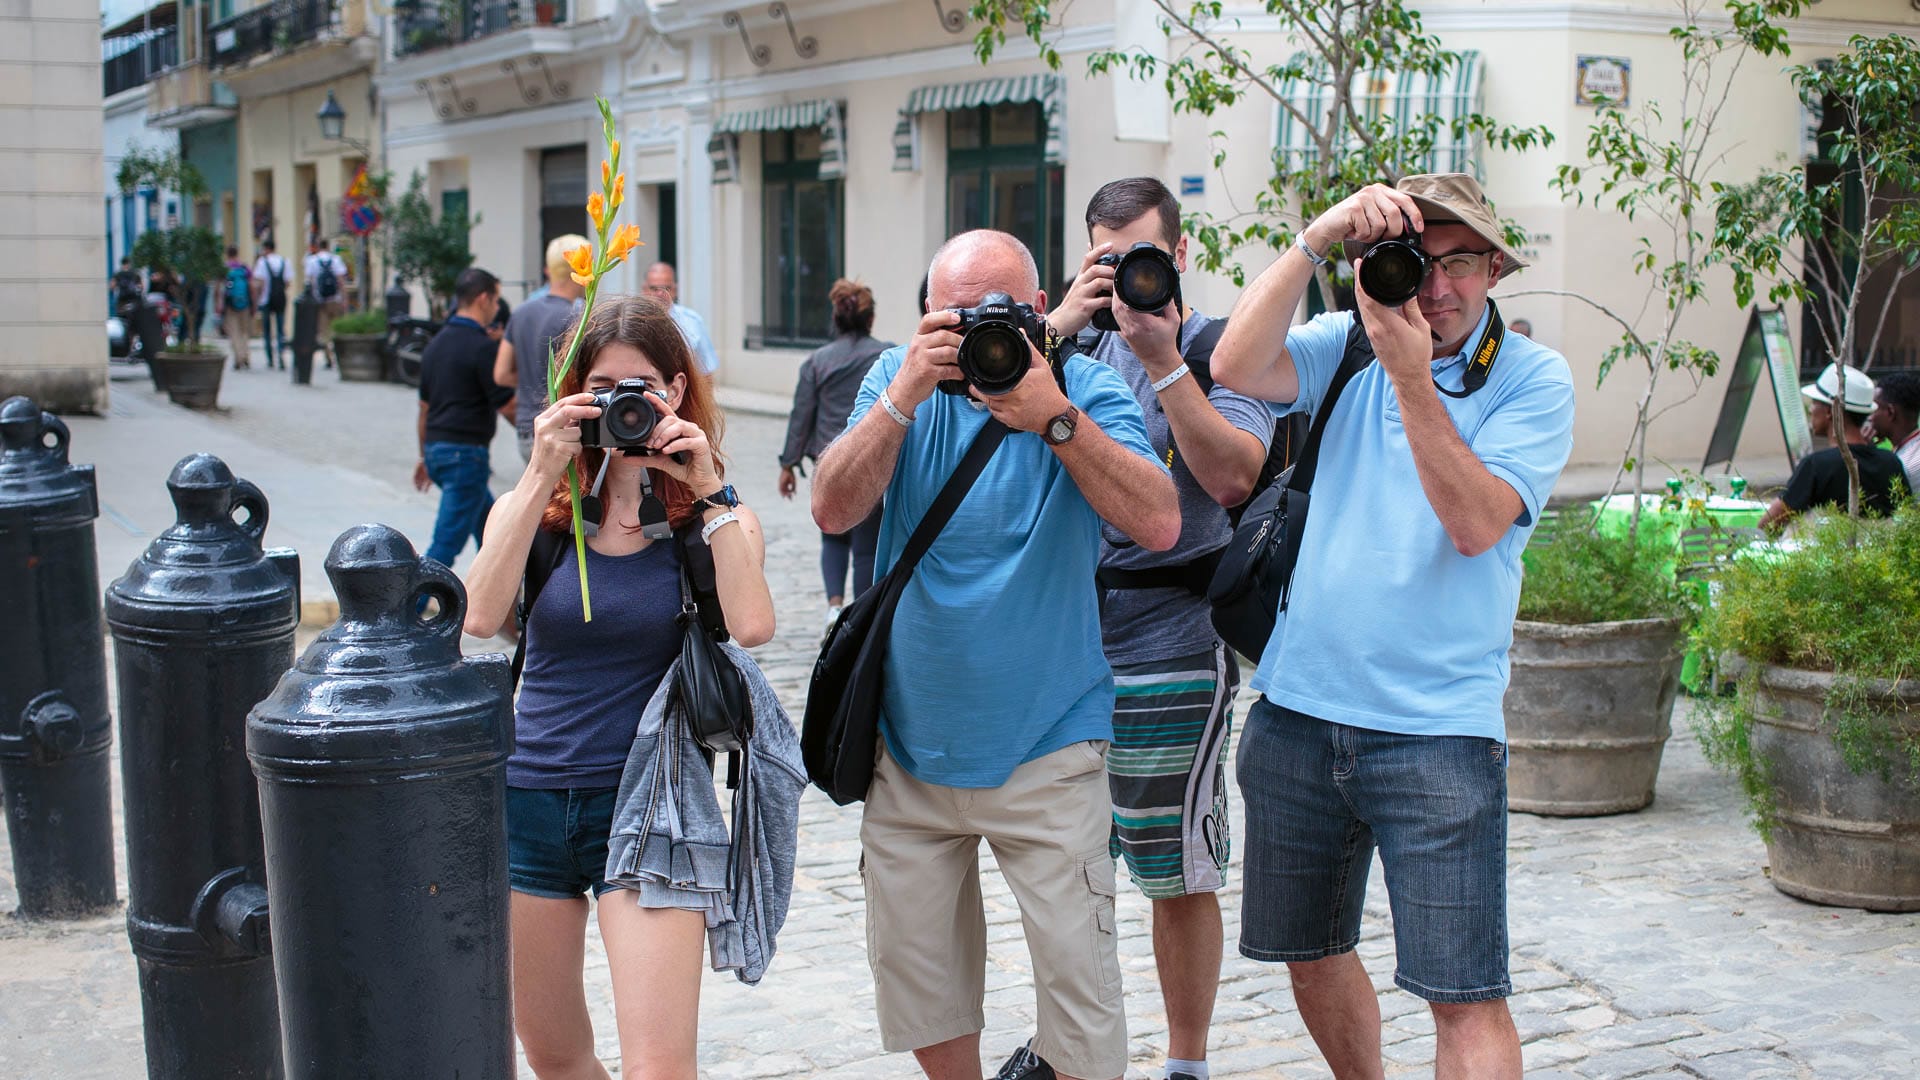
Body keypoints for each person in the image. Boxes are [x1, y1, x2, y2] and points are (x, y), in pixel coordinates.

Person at [1209, 174, 1576, 1080]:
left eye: (1459, 263)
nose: (1437, 290)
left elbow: (1474, 523)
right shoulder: (1347, 344)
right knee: (1308, 949)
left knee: (1463, 994)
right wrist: (1317, 236)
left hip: (1438, 732)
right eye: (1418, 265)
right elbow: (1233, 368)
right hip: (1297, 711)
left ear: (1495, 268)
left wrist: (1412, 376)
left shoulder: (1533, 379)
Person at [811, 229, 1180, 1080]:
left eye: (1002, 313)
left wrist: (1053, 418)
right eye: (958, 314)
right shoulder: (900, 385)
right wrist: (903, 390)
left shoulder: (1083, 387)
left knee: (1081, 994)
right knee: (921, 982)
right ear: (928, 318)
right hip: (909, 748)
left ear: (1041, 311)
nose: (982, 332)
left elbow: (1159, 522)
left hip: (1049, 745)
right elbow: (833, 509)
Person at [459, 294, 776, 1080]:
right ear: (572, 393)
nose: (625, 406)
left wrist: (705, 485)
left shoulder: (711, 515)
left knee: (659, 1067)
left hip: (650, 807)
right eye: (603, 388)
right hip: (528, 800)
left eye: (642, 388)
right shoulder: (537, 509)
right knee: (556, 1056)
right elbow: (479, 616)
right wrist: (541, 471)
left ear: (675, 389)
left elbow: (754, 624)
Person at [1015, 177, 1273, 1080]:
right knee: (1060, 871)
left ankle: (1185, 1063)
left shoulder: (1219, 349)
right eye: (1107, 261)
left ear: (1182, 253)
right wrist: (1049, 336)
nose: (1127, 279)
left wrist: (1162, 359)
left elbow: (1236, 476)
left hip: (1174, 637)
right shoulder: (1063, 350)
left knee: (1172, 871)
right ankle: (1074, 1051)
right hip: (1066, 644)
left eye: (1143, 260)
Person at [778, 278, 894, 623]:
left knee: (833, 537)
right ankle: (860, 617)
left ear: (836, 318)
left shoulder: (817, 362)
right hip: (870, 458)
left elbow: (802, 415)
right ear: (870, 318)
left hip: (829, 458)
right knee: (865, 548)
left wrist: (788, 464)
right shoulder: (886, 356)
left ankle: (833, 606)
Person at [413, 268, 514, 570]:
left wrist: (426, 456)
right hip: (465, 457)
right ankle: (410, 611)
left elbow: (424, 409)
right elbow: (507, 405)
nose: (497, 309)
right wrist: (537, 434)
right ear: (483, 299)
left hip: (439, 451)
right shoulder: (482, 348)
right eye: (496, 301)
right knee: (444, 546)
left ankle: (502, 606)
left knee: (490, 532)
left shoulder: (435, 345)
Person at [1758, 362, 1906, 532]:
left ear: (1830, 411)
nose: (1811, 410)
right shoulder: (1891, 462)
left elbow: (1769, 525)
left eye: (1814, 403)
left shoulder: (1816, 466)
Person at [499, 235, 591, 462]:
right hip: (562, 429)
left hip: (526, 429)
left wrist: (534, 378)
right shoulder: (579, 318)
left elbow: (501, 374)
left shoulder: (521, 312)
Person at [642, 262, 719, 376]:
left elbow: (707, 370)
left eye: (666, 288)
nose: (660, 294)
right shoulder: (632, 321)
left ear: (675, 290)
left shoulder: (693, 321)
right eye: (654, 288)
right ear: (644, 290)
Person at [1869, 369, 1920, 495]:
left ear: (1890, 412)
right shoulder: (1910, 448)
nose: (1869, 417)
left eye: (1874, 408)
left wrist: (1865, 455)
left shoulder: (1906, 466)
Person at [305, 237, 350, 369]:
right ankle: (338, 354)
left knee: (323, 330)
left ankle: (328, 356)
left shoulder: (312, 260)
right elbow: (341, 281)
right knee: (336, 328)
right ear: (328, 246)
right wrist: (345, 298)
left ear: (318, 246)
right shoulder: (336, 260)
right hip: (335, 299)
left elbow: (310, 281)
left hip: (320, 300)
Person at [253, 239, 291, 370]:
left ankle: (270, 358)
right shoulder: (284, 261)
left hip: (266, 300)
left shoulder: (262, 262)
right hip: (281, 298)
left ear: (265, 249)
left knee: (267, 330)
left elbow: (260, 282)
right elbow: (287, 283)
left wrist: (257, 299)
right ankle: (281, 354)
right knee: (281, 328)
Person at [216, 245, 255, 371]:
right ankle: (246, 356)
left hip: (230, 305)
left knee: (234, 332)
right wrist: (254, 303)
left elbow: (219, 289)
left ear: (227, 254)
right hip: (245, 304)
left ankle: (238, 358)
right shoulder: (244, 268)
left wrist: (218, 304)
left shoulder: (224, 268)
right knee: (244, 331)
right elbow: (251, 287)